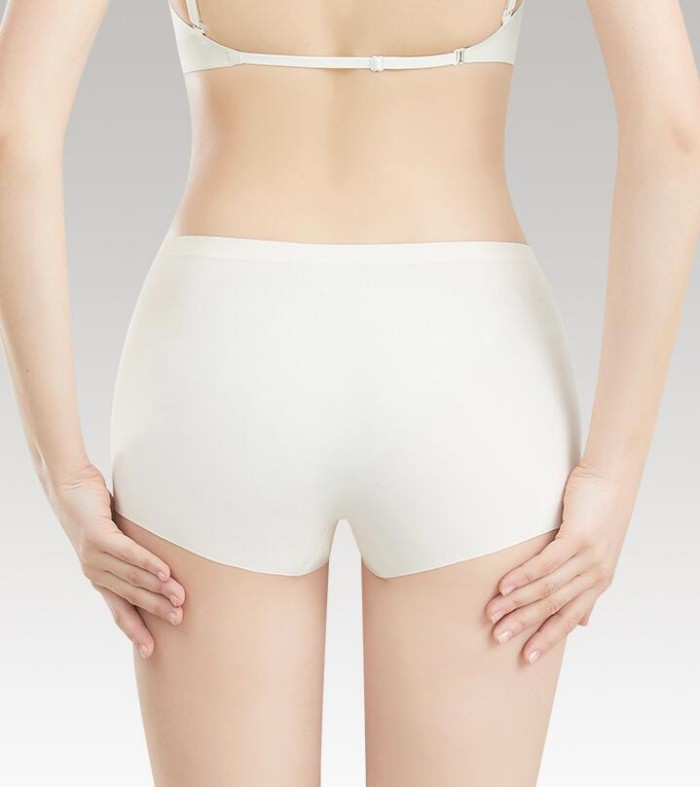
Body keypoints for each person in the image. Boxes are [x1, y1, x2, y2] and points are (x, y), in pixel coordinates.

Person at [1, 0, 698, 784]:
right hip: (470, 360)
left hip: (222, 353)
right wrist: (614, 473)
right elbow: (673, 132)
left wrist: (62, 468)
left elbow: (13, 133)